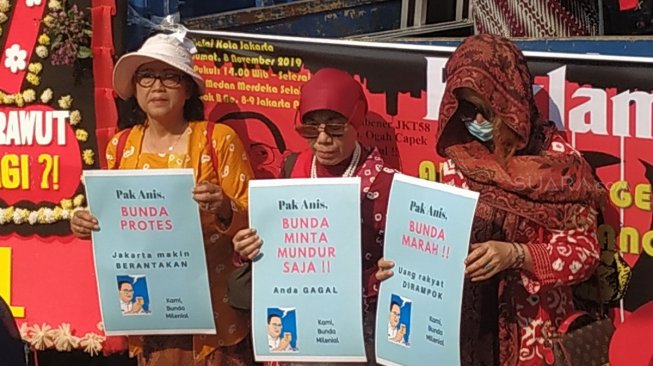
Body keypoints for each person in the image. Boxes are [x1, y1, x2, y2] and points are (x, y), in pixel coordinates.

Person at [377, 34, 606, 366]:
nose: (476, 122)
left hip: (531, 333)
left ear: (509, 102)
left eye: (485, 110)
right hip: (463, 332)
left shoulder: (557, 164)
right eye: (465, 109)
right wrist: (402, 263)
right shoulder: (460, 157)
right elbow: (435, 236)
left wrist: (518, 255)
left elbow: (584, 254)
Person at [70, 33, 256, 366]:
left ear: (187, 89)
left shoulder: (217, 140)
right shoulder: (120, 147)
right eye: (147, 76)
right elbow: (115, 227)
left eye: (170, 76)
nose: (157, 86)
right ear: (135, 88)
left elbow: (257, 225)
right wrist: (89, 224)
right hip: (149, 312)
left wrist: (225, 207)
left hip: (213, 316)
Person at [233, 68, 396, 366]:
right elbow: (274, 243)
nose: (322, 139)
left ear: (356, 122)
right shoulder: (291, 169)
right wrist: (248, 248)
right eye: (310, 129)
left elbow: (401, 263)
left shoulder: (386, 185)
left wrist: (384, 274)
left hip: (356, 330)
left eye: (334, 128)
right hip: (295, 323)